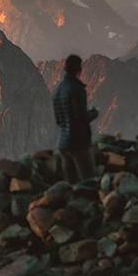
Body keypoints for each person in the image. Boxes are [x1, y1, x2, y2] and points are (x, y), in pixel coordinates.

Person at [53, 55, 99, 183]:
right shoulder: (77, 89)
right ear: (79, 69)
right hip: (78, 143)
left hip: (62, 143)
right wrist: (94, 114)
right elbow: (80, 117)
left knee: (70, 182)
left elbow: (58, 120)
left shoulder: (58, 89)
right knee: (89, 180)